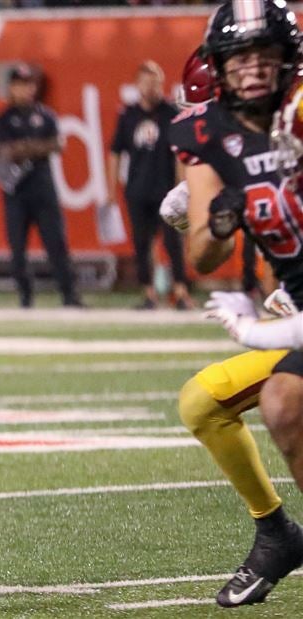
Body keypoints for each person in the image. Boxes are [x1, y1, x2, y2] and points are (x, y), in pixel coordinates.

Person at [166, 1, 303, 607]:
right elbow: (200, 251)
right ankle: (277, 532)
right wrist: (220, 216)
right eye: (236, 61)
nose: (250, 72)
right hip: (295, 305)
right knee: (258, 401)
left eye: (264, 58)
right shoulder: (208, 140)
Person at [0, 63, 83, 308]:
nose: (24, 90)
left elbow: (57, 145)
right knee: (17, 247)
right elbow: (7, 151)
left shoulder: (45, 115)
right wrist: (37, 147)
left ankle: (69, 294)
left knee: (56, 244)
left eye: (28, 84)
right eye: (19, 85)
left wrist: (27, 148)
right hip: (16, 190)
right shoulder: (4, 118)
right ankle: (25, 296)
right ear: (11, 88)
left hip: (43, 188)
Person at [107, 60, 192, 310]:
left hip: (166, 189)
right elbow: (115, 152)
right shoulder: (128, 115)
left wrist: (182, 186)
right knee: (142, 244)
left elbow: (180, 154)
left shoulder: (171, 113)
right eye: (146, 82)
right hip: (137, 189)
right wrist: (112, 189)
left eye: (155, 83)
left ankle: (181, 291)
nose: (151, 88)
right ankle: (150, 294)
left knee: (173, 243)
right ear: (137, 85)